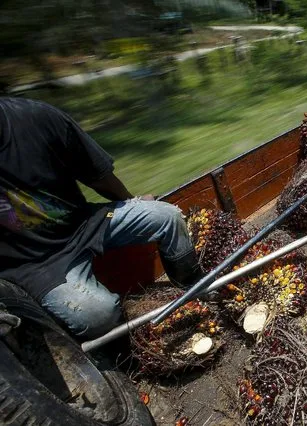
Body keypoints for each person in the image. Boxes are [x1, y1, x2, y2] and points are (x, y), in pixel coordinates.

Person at [0, 97, 202, 339]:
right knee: (99, 315)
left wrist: (131, 203)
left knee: (165, 216)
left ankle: (194, 287)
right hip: (34, 264)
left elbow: (98, 175)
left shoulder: (36, 117)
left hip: (85, 223)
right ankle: (123, 345)